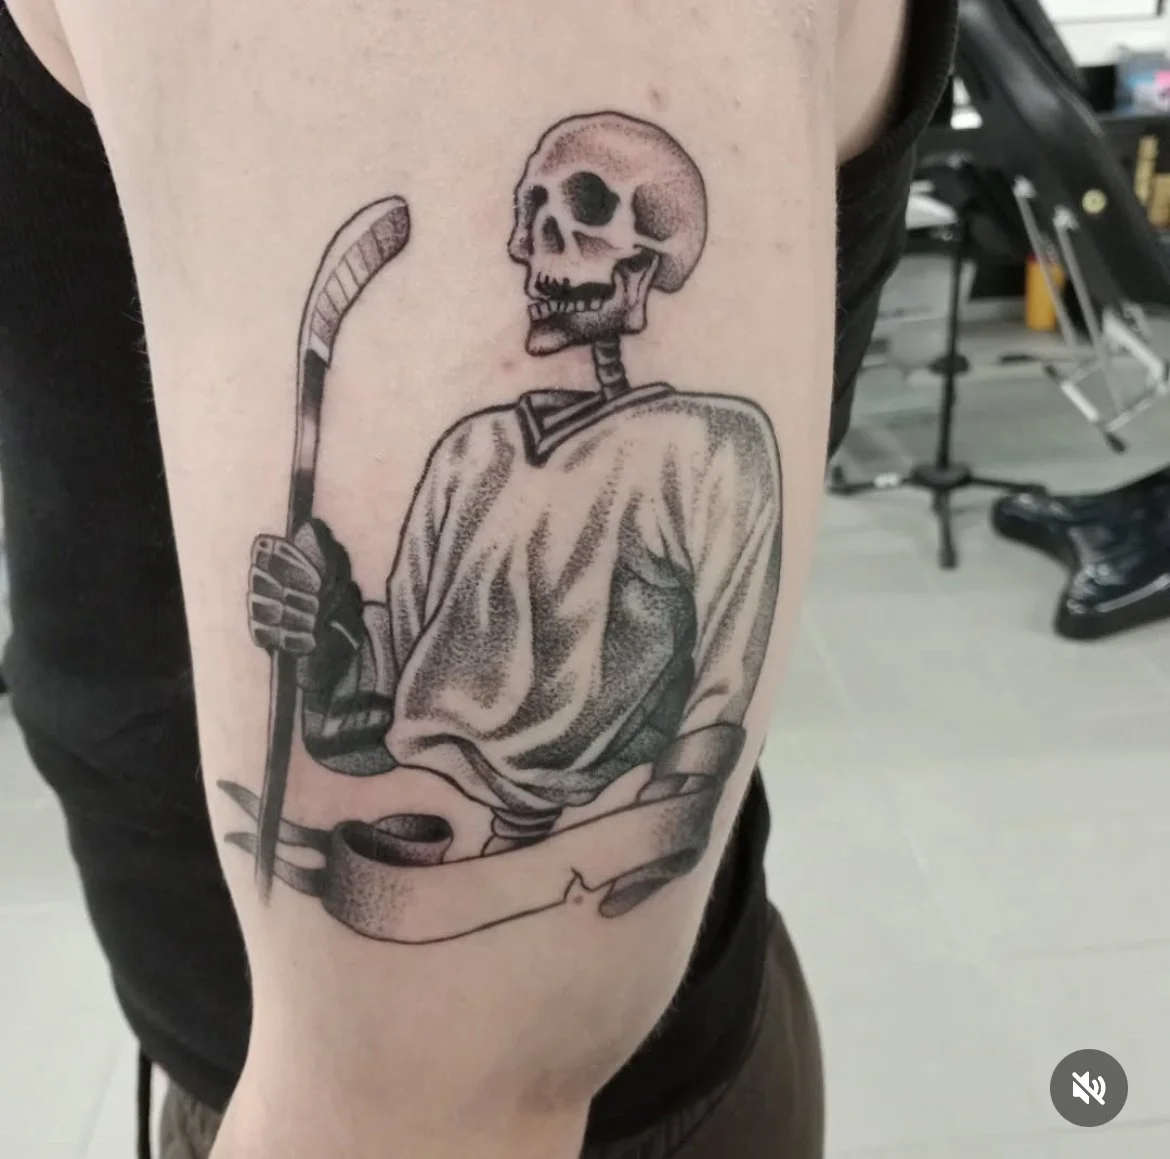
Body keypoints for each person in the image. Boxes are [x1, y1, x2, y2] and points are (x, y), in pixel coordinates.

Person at [0, 1, 957, 1156]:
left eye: (584, 215)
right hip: (268, 1032)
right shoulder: (472, 452)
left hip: (448, 1109)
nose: (536, 245)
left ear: (651, 256)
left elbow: (441, 1087)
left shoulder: (705, 452)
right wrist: (332, 644)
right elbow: (386, 720)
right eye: (533, 215)